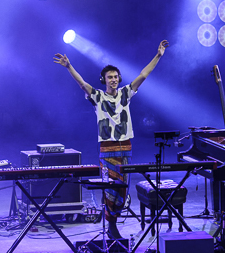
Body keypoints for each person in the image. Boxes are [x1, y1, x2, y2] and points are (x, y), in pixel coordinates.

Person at [54, 40, 169, 239]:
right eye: (110, 77)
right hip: (107, 149)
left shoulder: (126, 93)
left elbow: (143, 74)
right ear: (104, 80)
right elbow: (82, 84)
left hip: (125, 147)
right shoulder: (98, 97)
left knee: (122, 190)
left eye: (116, 77)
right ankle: (112, 226)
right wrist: (69, 66)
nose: (114, 80)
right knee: (110, 190)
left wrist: (158, 55)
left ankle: (113, 222)